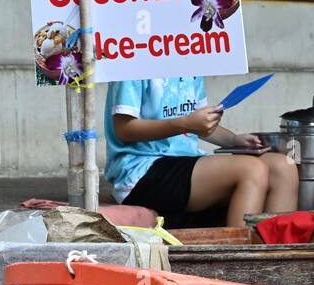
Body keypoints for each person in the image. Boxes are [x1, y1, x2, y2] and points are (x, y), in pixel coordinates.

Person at [104, 76, 298, 228]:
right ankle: (238, 270)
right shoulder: (132, 57)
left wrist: (233, 140)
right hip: (140, 170)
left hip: (188, 160)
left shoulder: (190, 56)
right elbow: (124, 129)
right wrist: (184, 124)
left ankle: (276, 266)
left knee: (284, 166)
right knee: (252, 169)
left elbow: (198, 124)